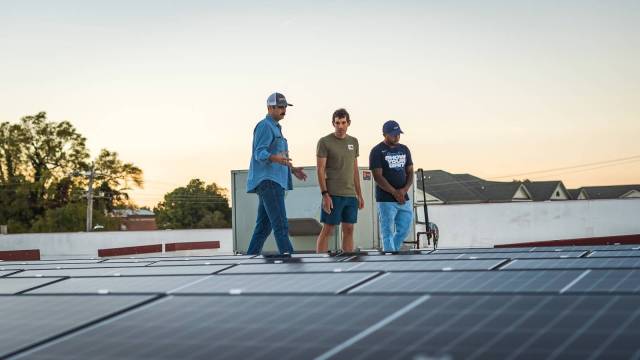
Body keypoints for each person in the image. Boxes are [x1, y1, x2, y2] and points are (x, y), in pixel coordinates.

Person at [246, 92, 307, 255]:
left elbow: (279, 156)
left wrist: (292, 169)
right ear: (269, 108)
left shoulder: (276, 127)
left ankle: (249, 260)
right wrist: (276, 158)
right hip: (269, 182)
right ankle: (290, 261)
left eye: (285, 107)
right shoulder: (265, 126)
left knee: (263, 228)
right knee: (280, 225)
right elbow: (260, 153)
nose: (284, 110)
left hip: (275, 182)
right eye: (280, 107)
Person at [316, 108, 364, 253]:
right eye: (337, 123)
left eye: (343, 123)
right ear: (333, 123)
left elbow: (355, 170)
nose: (340, 126)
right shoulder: (324, 142)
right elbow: (320, 169)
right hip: (333, 194)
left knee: (349, 229)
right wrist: (325, 195)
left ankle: (347, 261)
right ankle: (320, 263)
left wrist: (359, 194)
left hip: (350, 195)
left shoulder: (353, 142)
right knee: (328, 229)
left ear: (348, 123)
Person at [369, 120, 414, 252]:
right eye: (393, 134)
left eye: (398, 133)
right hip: (386, 199)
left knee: (405, 229)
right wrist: (395, 192)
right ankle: (390, 256)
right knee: (387, 231)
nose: (397, 136)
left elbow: (410, 171)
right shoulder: (377, 151)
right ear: (384, 134)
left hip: (403, 197)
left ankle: (393, 251)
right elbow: (377, 176)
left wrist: (404, 190)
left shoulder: (404, 149)